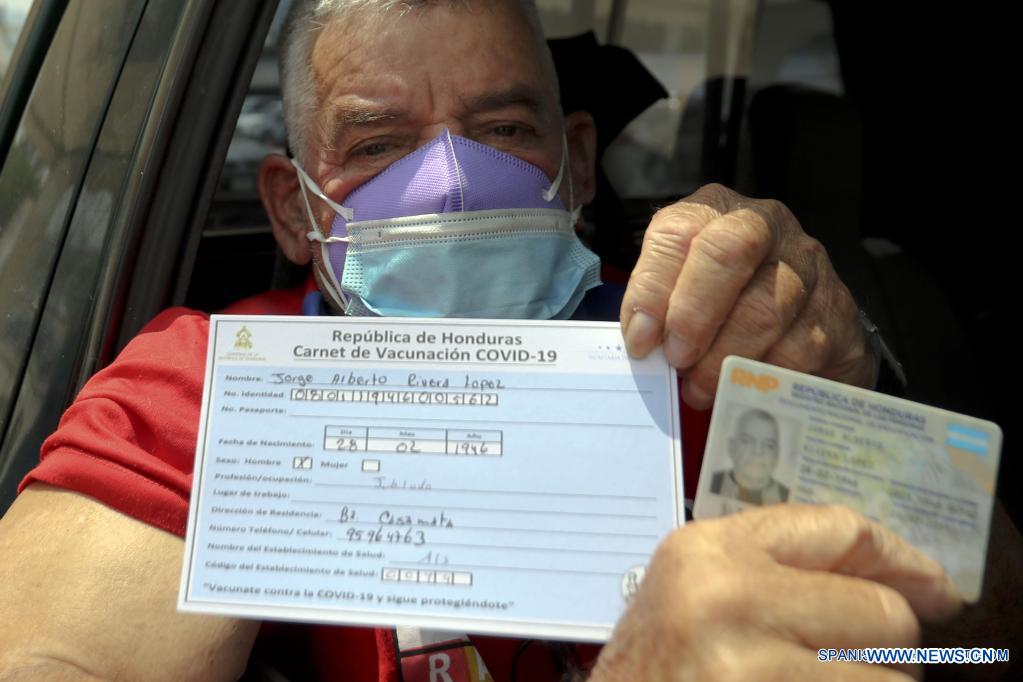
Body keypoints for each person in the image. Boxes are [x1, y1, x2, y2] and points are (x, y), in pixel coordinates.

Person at [0, 1, 963, 680]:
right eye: (378, 144)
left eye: (500, 129)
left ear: (574, 162)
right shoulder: (217, 390)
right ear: (295, 209)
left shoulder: (721, 351)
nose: (452, 184)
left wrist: (854, 390)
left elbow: (974, 647)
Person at [710, 408, 789, 505]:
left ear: (777, 454)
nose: (758, 451)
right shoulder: (709, 483)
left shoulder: (789, 498)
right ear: (732, 447)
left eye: (769, 445)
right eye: (747, 441)